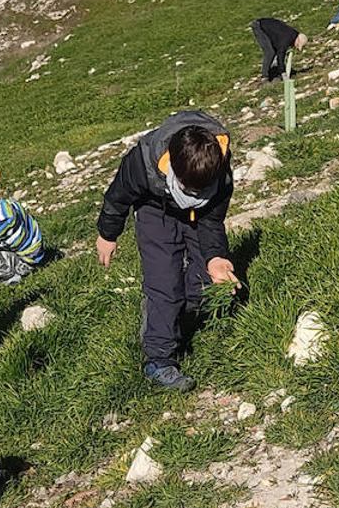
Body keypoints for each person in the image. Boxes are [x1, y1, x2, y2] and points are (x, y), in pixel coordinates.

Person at [96, 111, 240, 392]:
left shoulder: (219, 170)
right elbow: (118, 195)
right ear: (172, 166)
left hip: (199, 216)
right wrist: (107, 234)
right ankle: (159, 360)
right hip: (155, 209)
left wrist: (216, 258)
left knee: (202, 285)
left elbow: (212, 220)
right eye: (188, 188)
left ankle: (176, 318)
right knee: (164, 283)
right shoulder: (144, 162)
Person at [250, 18, 308, 83]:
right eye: (297, 45)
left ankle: (274, 72)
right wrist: (283, 73)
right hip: (259, 26)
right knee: (269, 52)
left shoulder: (292, 35)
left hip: (267, 27)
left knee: (273, 51)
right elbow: (281, 55)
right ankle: (264, 77)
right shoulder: (287, 39)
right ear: (297, 41)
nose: (295, 47)